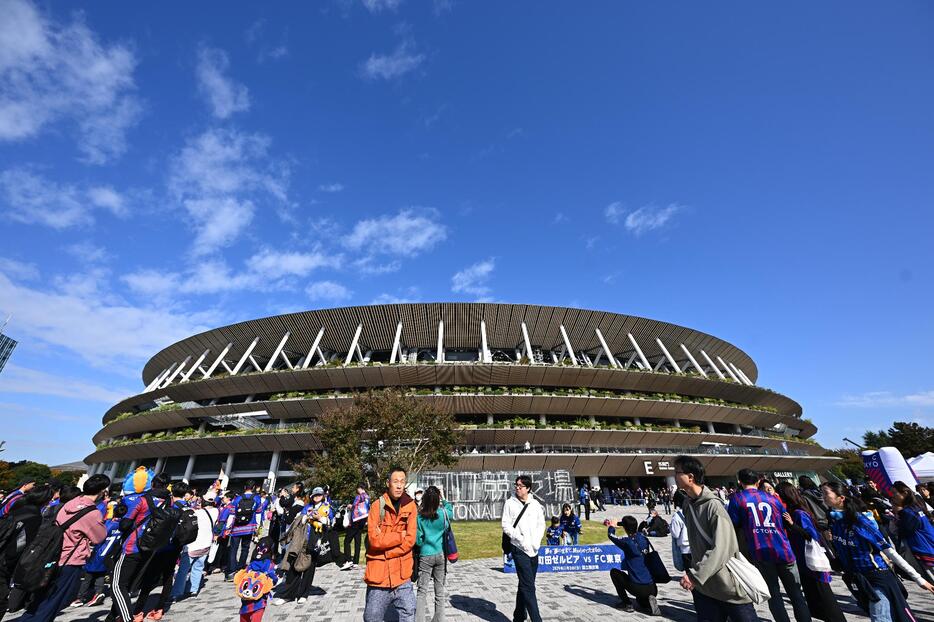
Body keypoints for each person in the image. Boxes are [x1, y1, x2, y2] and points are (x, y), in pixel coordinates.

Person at [822, 481, 934, 621]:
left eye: (826, 493)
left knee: (880, 617)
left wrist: (918, 579)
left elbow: (889, 551)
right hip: (858, 579)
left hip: (877, 578)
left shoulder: (861, 522)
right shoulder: (835, 523)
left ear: (841, 498)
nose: (823, 497)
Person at [673, 455, 757, 621]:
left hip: (727, 586)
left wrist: (695, 575)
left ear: (690, 477)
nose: (674, 476)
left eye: (677, 472)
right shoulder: (688, 504)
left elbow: (722, 548)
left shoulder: (714, 506)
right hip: (704, 588)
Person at [17, 474, 109, 622]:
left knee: (40, 600)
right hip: (71, 561)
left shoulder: (69, 504)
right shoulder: (93, 513)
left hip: (51, 555)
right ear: (102, 491)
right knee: (53, 602)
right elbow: (99, 537)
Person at [728, 468, 810, 622]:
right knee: (797, 594)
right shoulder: (772, 499)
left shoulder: (737, 499)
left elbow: (734, 524)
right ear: (758, 481)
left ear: (740, 481)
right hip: (783, 549)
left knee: (774, 594)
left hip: (760, 551)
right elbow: (785, 522)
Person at [775, 482, 847, 622]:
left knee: (824, 597)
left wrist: (792, 525)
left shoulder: (798, 513)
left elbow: (810, 535)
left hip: (811, 562)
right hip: (804, 561)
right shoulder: (793, 512)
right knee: (816, 599)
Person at [363, 466, 418, 622]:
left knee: (409, 612)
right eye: (395, 481)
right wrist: (399, 535)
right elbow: (374, 539)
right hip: (379, 576)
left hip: (402, 575)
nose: (399, 485)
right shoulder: (376, 506)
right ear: (388, 483)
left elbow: (410, 540)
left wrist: (387, 550)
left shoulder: (411, 506)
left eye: (402, 481)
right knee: (372, 617)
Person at [133, 480, 190, 621]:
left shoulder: (169, 506)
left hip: (162, 547)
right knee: (168, 578)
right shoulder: (188, 508)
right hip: (176, 548)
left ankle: (138, 611)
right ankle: (159, 609)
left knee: (149, 579)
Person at [0, 484, 52, 619]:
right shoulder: (35, 516)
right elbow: (21, 543)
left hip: (2, 551)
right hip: (5, 560)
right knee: (1, 601)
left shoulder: (18, 506)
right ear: (45, 500)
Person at [502, 474, 545, 622]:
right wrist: (519, 538)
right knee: (529, 587)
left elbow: (541, 524)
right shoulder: (510, 503)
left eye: (520, 486)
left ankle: (518, 616)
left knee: (525, 584)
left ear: (528, 488)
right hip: (519, 548)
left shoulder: (535, 504)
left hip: (534, 549)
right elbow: (505, 525)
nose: (517, 488)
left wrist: (536, 541)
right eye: (516, 485)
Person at [607, 515, 660, 615]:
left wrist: (612, 526)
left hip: (637, 587)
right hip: (652, 587)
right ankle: (648, 602)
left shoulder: (627, 543)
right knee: (640, 602)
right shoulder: (644, 538)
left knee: (614, 573)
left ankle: (627, 603)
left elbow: (611, 535)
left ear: (625, 528)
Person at [171, 490, 218, 600]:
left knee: (183, 570)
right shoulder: (216, 511)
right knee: (198, 567)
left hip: (193, 545)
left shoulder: (197, 513)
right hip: (206, 544)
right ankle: (193, 590)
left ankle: (176, 593)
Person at [415, 485, 453, 622]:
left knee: (422, 591)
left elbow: (418, 541)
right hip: (441, 554)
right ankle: (439, 619)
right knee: (440, 590)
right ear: (437, 500)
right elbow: (450, 510)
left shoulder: (419, 517)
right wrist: (443, 496)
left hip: (425, 555)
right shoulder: (443, 514)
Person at [890, 480, 934, 583]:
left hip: (925, 552)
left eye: (894, 493)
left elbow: (900, 532)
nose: (893, 496)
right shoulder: (915, 507)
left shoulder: (907, 513)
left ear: (904, 493)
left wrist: (897, 514)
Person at [227, 481, 264, 581]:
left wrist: (228, 526)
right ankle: (241, 568)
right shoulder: (257, 498)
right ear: (254, 487)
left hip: (236, 527)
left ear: (244, 487)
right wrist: (257, 526)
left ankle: (231, 571)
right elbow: (258, 513)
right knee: (245, 548)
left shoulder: (238, 498)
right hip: (249, 527)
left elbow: (231, 513)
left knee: (233, 549)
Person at [235, 537, 277, 622]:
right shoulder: (269, 564)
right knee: (256, 616)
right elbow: (273, 578)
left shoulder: (252, 562)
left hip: (246, 596)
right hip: (260, 597)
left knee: (244, 614)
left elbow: (244, 573)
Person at [344, 484, 370, 568]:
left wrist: (349, 506)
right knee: (357, 541)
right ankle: (356, 561)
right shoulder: (367, 497)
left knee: (347, 541)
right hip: (362, 521)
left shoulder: (359, 496)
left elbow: (354, 506)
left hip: (355, 521)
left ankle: (348, 560)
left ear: (359, 488)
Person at [668, 490, 691, 571]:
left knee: (689, 573)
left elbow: (675, 534)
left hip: (685, 549)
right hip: (697, 547)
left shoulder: (677, 516)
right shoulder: (694, 511)